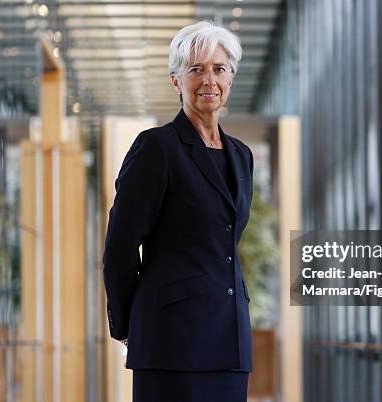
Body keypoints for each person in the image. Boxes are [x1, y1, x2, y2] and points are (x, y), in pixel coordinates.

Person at [102, 20, 254, 402]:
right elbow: (119, 247)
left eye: (219, 69)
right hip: (172, 340)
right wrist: (127, 324)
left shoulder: (242, 155)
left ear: (231, 78)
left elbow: (225, 244)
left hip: (230, 341)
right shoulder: (157, 149)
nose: (209, 80)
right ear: (176, 79)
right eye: (196, 69)